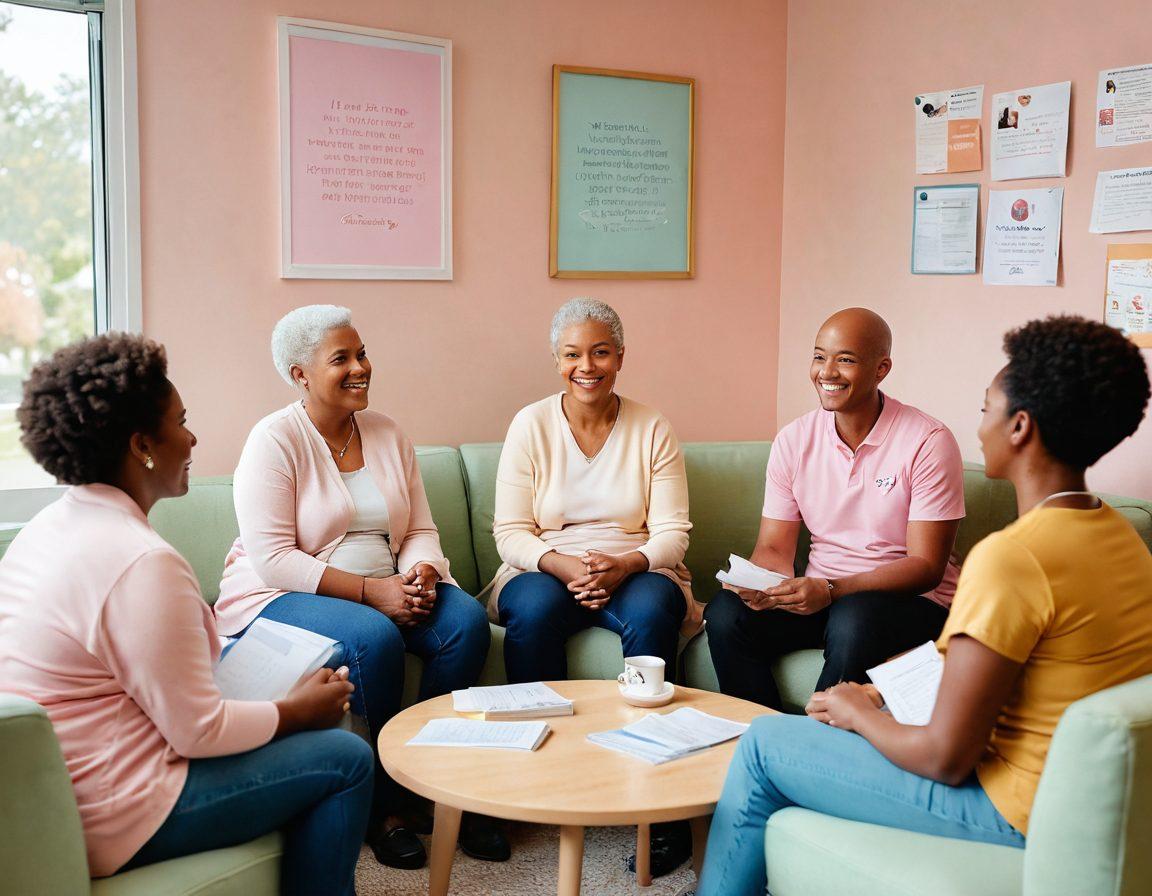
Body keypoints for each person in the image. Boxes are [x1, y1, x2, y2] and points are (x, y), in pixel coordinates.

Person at [696, 315, 1152, 896]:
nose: (977, 424)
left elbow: (945, 758)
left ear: (1019, 427)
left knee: (762, 744)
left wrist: (859, 715)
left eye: (985, 408)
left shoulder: (1011, 558)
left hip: (1012, 807)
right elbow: (985, 657)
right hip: (1080, 798)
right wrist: (878, 692)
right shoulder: (1121, 539)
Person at [0, 334, 371, 895]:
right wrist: (294, 712)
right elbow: (198, 731)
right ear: (142, 445)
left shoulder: (46, 529)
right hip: (115, 807)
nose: (193, 436)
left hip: (60, 789)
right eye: (181, 421)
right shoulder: (141, 561)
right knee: (346, 756)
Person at [212, 305, 499, 868]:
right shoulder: (273, 441)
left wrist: (420, 572)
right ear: (300, 374)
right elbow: (273, 560)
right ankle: (383, 804)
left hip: (388, 582)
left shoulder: (388, 432)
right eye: (340, 359)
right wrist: (374, 594)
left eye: (361, 353)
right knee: (373, 638)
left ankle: (433, 779)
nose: (360, 367)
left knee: (465, 623)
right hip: (286, 595)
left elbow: (418, 527)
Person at [492, 297, 699, 875]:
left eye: (601, 351)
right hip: (544, 567)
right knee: (529, 613)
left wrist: (625, 564)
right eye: (572, 354)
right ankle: (540, 778)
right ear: (556, 360)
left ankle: (655, 795)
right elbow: (509, 532)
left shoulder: (652, 427)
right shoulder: (530, 424)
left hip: (636, 565)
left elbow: (672, 534)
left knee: (657, 608)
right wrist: (563, 565)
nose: (587, 365)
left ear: (621, 357)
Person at [705, 307, 964, 710]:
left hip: (909, 605)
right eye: (819, 356)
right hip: (822, 599)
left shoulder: (928, 441)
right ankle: (759, 732)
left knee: (854, 618)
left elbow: (926, 566)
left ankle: (815, 743)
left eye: (845, 360)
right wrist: (757, 585)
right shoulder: (794, 440)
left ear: (881, 369)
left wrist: (832, 589)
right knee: (726, 613)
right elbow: (774, 549)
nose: (827, 372)